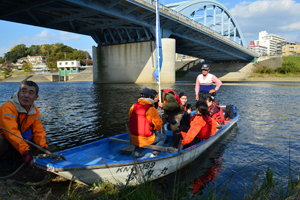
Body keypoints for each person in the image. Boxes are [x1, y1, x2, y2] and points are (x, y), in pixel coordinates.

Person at [0, 81, 48, 168]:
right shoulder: (7, 108)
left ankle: (19, 157)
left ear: (36, 97)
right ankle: (4, 160)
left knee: (36, 135)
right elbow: (11, 133)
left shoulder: (34, 110)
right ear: (18, 93)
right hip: (6, 140)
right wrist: (25, 151)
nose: (26, 95)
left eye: (31, 93)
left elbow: (39, 131)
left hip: (19, 140)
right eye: (23, 91)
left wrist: (42, 148)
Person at [128, 88, 165, 157]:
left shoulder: (133, 106)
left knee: (139, 133)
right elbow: (158, 126)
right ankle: (154, 154)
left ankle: (137, 152)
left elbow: (130, 115)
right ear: (150, 97)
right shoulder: (151, 109)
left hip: (134, 138)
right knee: (162, 137)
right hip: (146, 139)